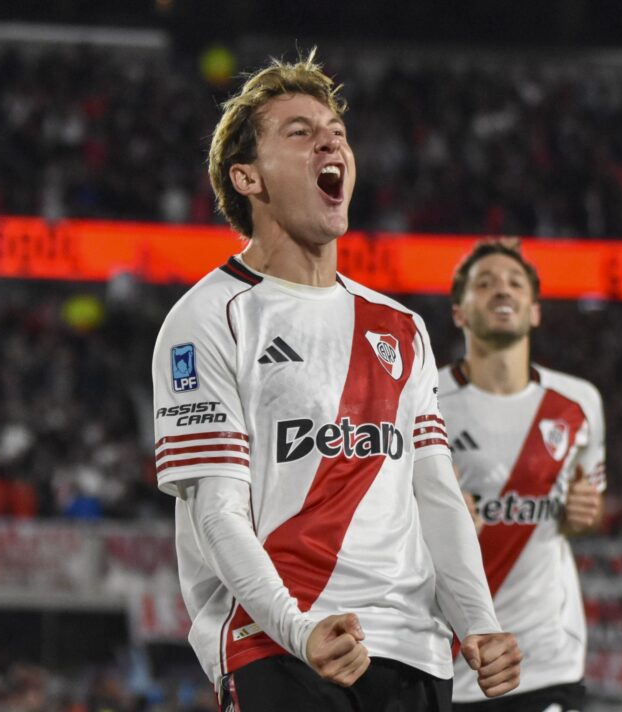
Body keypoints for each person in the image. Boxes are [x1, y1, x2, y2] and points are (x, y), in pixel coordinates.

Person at [151, 51, 521, 712]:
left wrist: (480, 624)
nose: (330, 141)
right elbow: (217, 513)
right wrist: (297, 629)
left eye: (337, 133)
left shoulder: (401, 326)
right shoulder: (209, 317)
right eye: (299, 132)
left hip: (415, 652)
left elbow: (436, 496)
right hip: (280, 647)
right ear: (248, 178)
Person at [439, 240, 606, 712]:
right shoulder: (421, 398)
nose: (501, 290)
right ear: (459, 312)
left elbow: (581, 517)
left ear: (534, 311)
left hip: (546, 659)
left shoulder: (579, 402)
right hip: (452, 656)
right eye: (485, 283)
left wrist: (586, 514)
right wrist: (434, 522)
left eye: (514, 283)